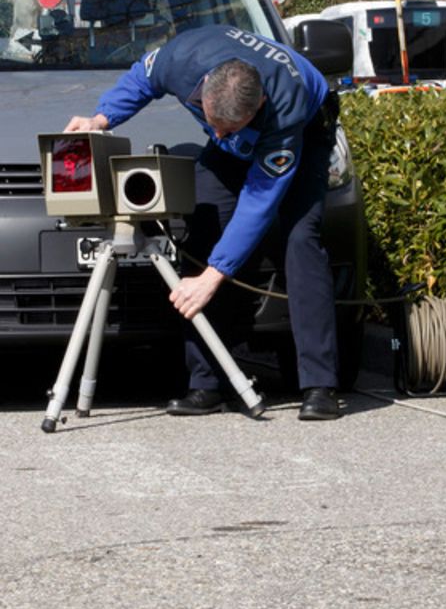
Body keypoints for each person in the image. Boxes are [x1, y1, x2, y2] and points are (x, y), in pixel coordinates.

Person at [65, 25, 343, 421]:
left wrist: (214, 276)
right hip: (234, 128)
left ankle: (319, 384)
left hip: (305, 136)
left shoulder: (286, 106)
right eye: (210, 123)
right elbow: (142, 79)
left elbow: (258, 203)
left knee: (300, 239)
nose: (215, 134)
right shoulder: (182, 59)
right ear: (204, 88)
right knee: (206, 224)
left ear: (259, 103)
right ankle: (206, 384)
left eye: (225, 130)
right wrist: (101, 118)